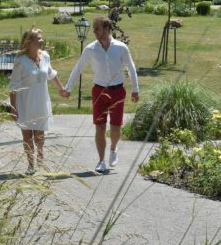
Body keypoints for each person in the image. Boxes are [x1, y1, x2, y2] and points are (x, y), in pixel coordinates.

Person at [64, 16, 139, 173]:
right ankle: (101, 161)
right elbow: (78, 68)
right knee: (100, 126)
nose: (94, 31)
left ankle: (113, 148)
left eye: (97, 28)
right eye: (94, 28)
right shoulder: (90, 49)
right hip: (99, 91)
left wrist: (135, 89)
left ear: (106, 28)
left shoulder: (121, 47)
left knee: (115, 126)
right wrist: (68, 88)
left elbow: (130, 67)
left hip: (118, 91)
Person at [9, 28, 69, 175]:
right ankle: (31, 164)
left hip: (41, 100)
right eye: (39, 39)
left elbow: (51, 74)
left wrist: (62, 88)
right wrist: (13, 107)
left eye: (42, 38)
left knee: (39, 133)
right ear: (30, 42)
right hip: (25, 101)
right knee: (27, 134)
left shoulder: (46, 56)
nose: (42, 41)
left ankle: (40, 153)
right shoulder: (20, 61)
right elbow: (13, 86)